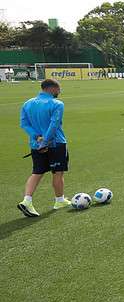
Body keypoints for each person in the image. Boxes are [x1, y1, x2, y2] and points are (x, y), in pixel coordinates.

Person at [17, 79, 71, 217]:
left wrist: (37, 137)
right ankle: (59, 200)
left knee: (37, 172)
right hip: (56, 143)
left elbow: (24, 124)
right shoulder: (57, 104)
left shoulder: (27, 103)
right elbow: (54, 124)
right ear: (52, 89)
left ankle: (26, 200)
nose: (59, 92)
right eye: (59, 89)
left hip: (36, 145)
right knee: (58, 172)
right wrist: (46, 141)